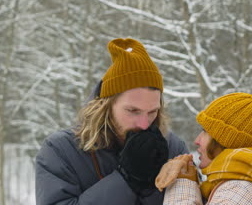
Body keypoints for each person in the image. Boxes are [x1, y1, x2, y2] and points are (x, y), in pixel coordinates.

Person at [35, 38, 189, 205]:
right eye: (133, 111)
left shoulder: (172, 147)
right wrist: (125, 180)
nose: (144, 124)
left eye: (152, 112)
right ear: (106, 105)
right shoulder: (61, 150)